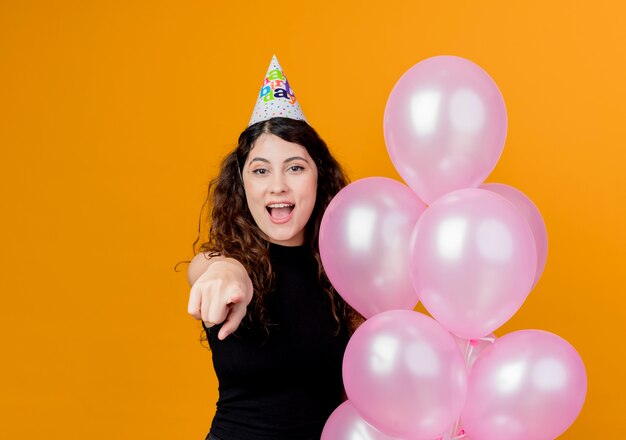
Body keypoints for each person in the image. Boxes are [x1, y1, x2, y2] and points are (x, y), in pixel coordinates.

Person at [186, 56, 362, 440]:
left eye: (295, 167)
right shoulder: (223, 261)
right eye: (261, 170)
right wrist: (226, 276)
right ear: (242, 183)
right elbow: (210, 270)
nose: (278, 185)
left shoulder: (347, 274)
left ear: (320, 178)